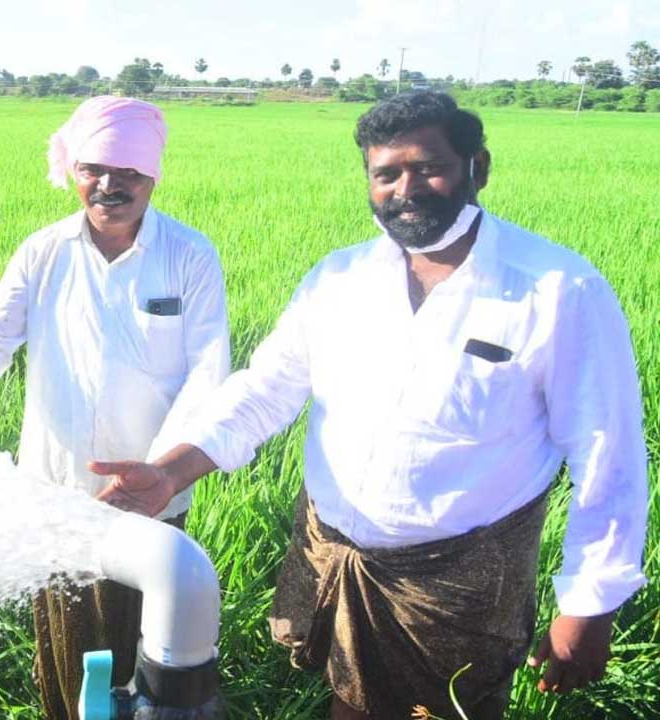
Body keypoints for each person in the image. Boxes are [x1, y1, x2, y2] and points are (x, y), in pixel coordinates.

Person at [91, 92, 649, 720]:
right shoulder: (339, 280)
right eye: (386, 174)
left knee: (449, 712)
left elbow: (608, 454)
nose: (406, 189)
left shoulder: (557, 289)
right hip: (335, 556)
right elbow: (264, 389)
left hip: (456, 582)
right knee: (350, 700)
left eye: (428, 167)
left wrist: (590, 601)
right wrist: (170, 472)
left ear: (478, 168)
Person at [0, 96, 230, 719]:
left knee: (155, 639)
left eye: (128, 173)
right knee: (68, 651)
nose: (109, 185)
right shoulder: (43, 252)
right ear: (75, 171)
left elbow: (209, 374)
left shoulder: (190, 255)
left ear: (153, 177)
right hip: (56, 493)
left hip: (152, 494)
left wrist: (165, 471)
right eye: (95, 169)